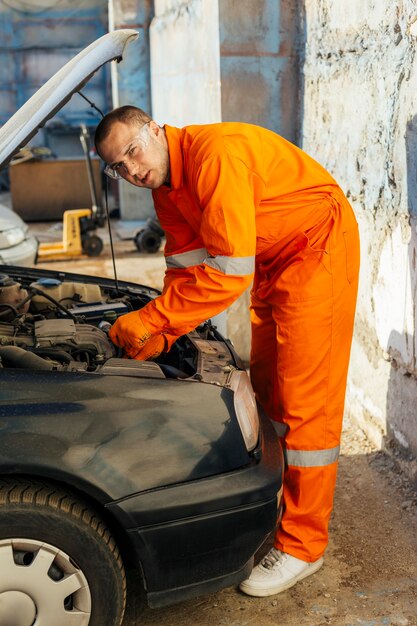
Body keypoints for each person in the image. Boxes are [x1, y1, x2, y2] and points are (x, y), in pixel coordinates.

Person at [94, 106, 360, 597]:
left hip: (316, 246)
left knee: (306, 400)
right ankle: (279, 498)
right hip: (272, 257)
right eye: (118, 166)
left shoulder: (213, 156)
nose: (131, 170)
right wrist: (162, 335)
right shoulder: (165, 190)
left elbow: (228, 274)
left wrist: (152, 319)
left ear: (155, 129)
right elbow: (184, 273)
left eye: (132, 151)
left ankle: (304, 545)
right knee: (268, 384)